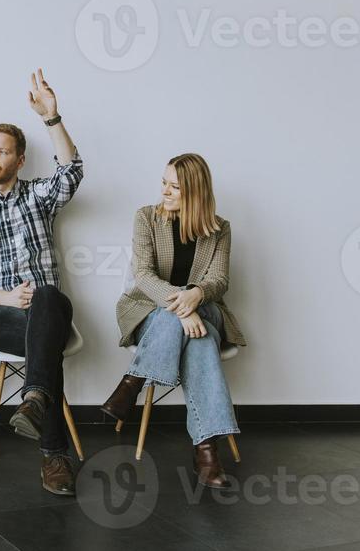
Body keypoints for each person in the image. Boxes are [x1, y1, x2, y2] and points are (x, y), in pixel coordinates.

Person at [0, 69, 85, 496]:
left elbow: (73, 171)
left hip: (47, 307)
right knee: (45, 340)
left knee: (46, 300)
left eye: (3, 153)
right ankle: (51, 445)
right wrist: (4, 296)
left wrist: (52, 118)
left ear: (20, 160)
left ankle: (34, 400)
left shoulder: (37, 196)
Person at [104, 152, 245, 489]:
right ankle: (207, 453)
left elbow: (219, 280)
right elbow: (143, 275)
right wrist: (184, 309)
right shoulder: (146, 218)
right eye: (164, 183)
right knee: (201, 340)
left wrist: (195, 296)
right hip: (148, 308)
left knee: (191, 324)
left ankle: (132, 384)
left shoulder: (220, 229)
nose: (164, 192)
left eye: (175, 187)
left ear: (195, 192)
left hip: (204, 307)